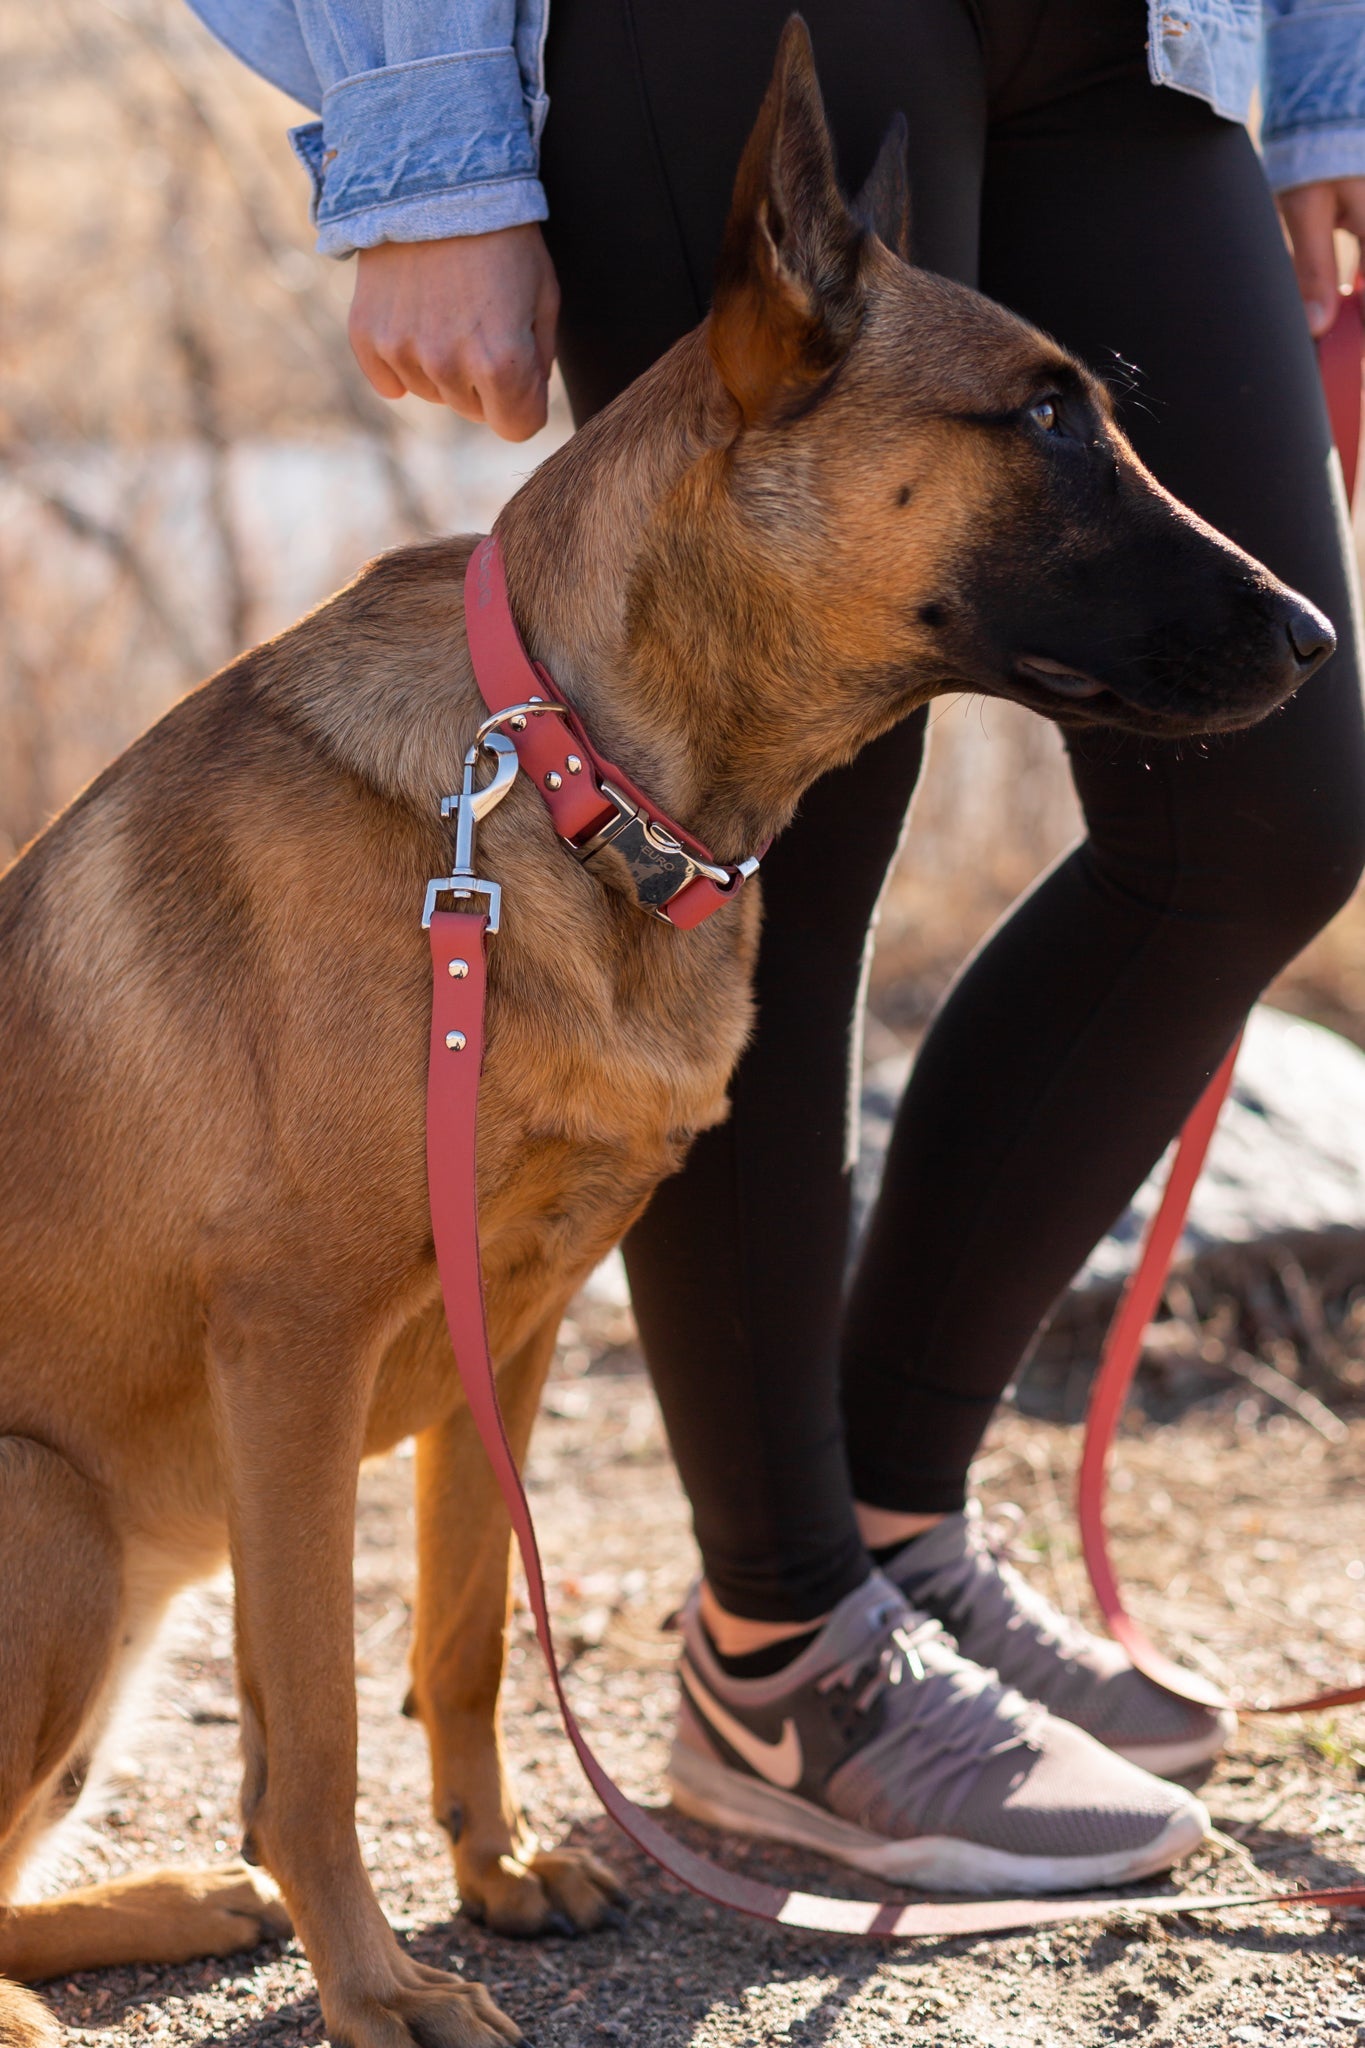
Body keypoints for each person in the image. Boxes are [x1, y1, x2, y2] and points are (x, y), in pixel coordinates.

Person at [188, 0, 1365, 1890]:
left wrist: (1317, 90)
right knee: (733, 853)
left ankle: (890, 1521)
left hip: (1136, 38)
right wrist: (429, 140)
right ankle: (786, 1641)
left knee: (1266, 809)